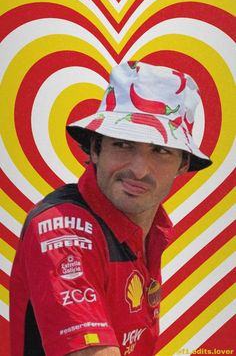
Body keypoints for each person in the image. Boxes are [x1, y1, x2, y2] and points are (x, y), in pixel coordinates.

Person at [10, 61, 212, 356]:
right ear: (95, 149)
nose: (139, 170)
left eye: (160, 150)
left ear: (183, 164)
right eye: (123, 144)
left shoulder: (151, 228)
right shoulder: (62, 226)